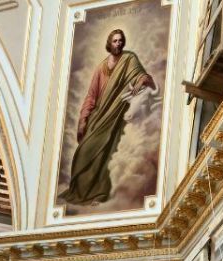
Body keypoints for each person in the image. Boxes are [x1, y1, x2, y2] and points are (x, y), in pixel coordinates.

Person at [59, 28, 156, 206]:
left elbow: (142, 76)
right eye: (115, 41)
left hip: (116, 115)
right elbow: (91, 95)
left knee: (106, 153)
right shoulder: (101, 68)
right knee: (83, 151)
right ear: (109, 44)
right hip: (99, 115)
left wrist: (141, 80)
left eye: (120, 40)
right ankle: (79, 190)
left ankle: (99, 192)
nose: (118, 43)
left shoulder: (129, 59)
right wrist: (83, 119)